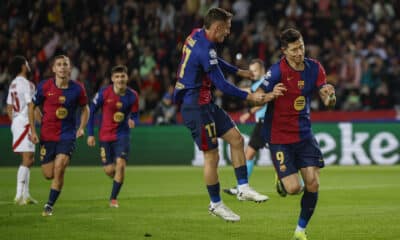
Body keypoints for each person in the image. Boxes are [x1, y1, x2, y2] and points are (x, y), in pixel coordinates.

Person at [173, 7, 286, 222]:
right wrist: (250, 97)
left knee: (236, 139)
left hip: (204, 102)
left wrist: (238, 71)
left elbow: (214, 61)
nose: (228, 32)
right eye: (226, 28)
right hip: (195, 106)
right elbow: (222, 85)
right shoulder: (206, 49)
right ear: (216, 27)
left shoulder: (196, 34)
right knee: (211, 156)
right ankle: (216, 204)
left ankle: (242, 187)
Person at [256, 28, 336, 240]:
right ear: (284, 51)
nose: (299, 53)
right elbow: (256, 96)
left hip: (304, 134)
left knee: (313, 183)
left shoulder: (315, 68)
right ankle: (281, 178)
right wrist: (271, 94)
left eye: (301, 47)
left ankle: (300, 231)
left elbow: (327, 100)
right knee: (293, 188)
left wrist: (331, 97)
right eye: (294, 50)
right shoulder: (276, 72)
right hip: (279, 136)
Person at [29, 55, 89, 216]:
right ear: (54, 69)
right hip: (47, 136)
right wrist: (34, 130)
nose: (62, 67)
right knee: (48, 174)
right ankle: (55, 183)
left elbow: (85, 109)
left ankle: (49, 205)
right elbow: (32, 106)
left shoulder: (78, 88)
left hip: (67, 135)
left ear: (70, 68)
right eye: (59, 65)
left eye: (65, 65)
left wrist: (81, 128)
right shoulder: (44, 86)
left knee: (60, 167)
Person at [87, 65, 139, 208]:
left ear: (127, 77)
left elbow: (135, 114)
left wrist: (133, 120)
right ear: (112, 79)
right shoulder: (104, 93)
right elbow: (91, 112)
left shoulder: (133, 95)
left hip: (122, 135)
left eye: (122, 76)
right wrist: (90, 134)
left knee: (121, 164)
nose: (120, 79)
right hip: (105, 136)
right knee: (110, 170)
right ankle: (118, 177)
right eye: (117, 77)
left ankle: (113, 199)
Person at [224, 58, 268, 196]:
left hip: (264, 122)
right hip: (267, 123)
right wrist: (228, 88)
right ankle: (300, 184)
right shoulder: (259, 83)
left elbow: (263, 101)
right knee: (285, 153)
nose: (252, 73)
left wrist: (247, 113)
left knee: (248, 155)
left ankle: (241, 186)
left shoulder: (264, 83)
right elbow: (249, 90)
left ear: (262, 70)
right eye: (251, 71)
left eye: (255, 70)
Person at [6, 56, 38, 205]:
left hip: (18, 122)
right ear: (23, 66)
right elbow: (32, 106)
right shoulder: (27, 84)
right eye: (27, 63)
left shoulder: (13, 84)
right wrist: (34, 126)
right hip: (25, 123)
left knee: (28, 159)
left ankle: (25, 194)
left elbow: (8, 107)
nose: (29, 64)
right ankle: (19, 195)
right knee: (28, 158)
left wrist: (15, 123)